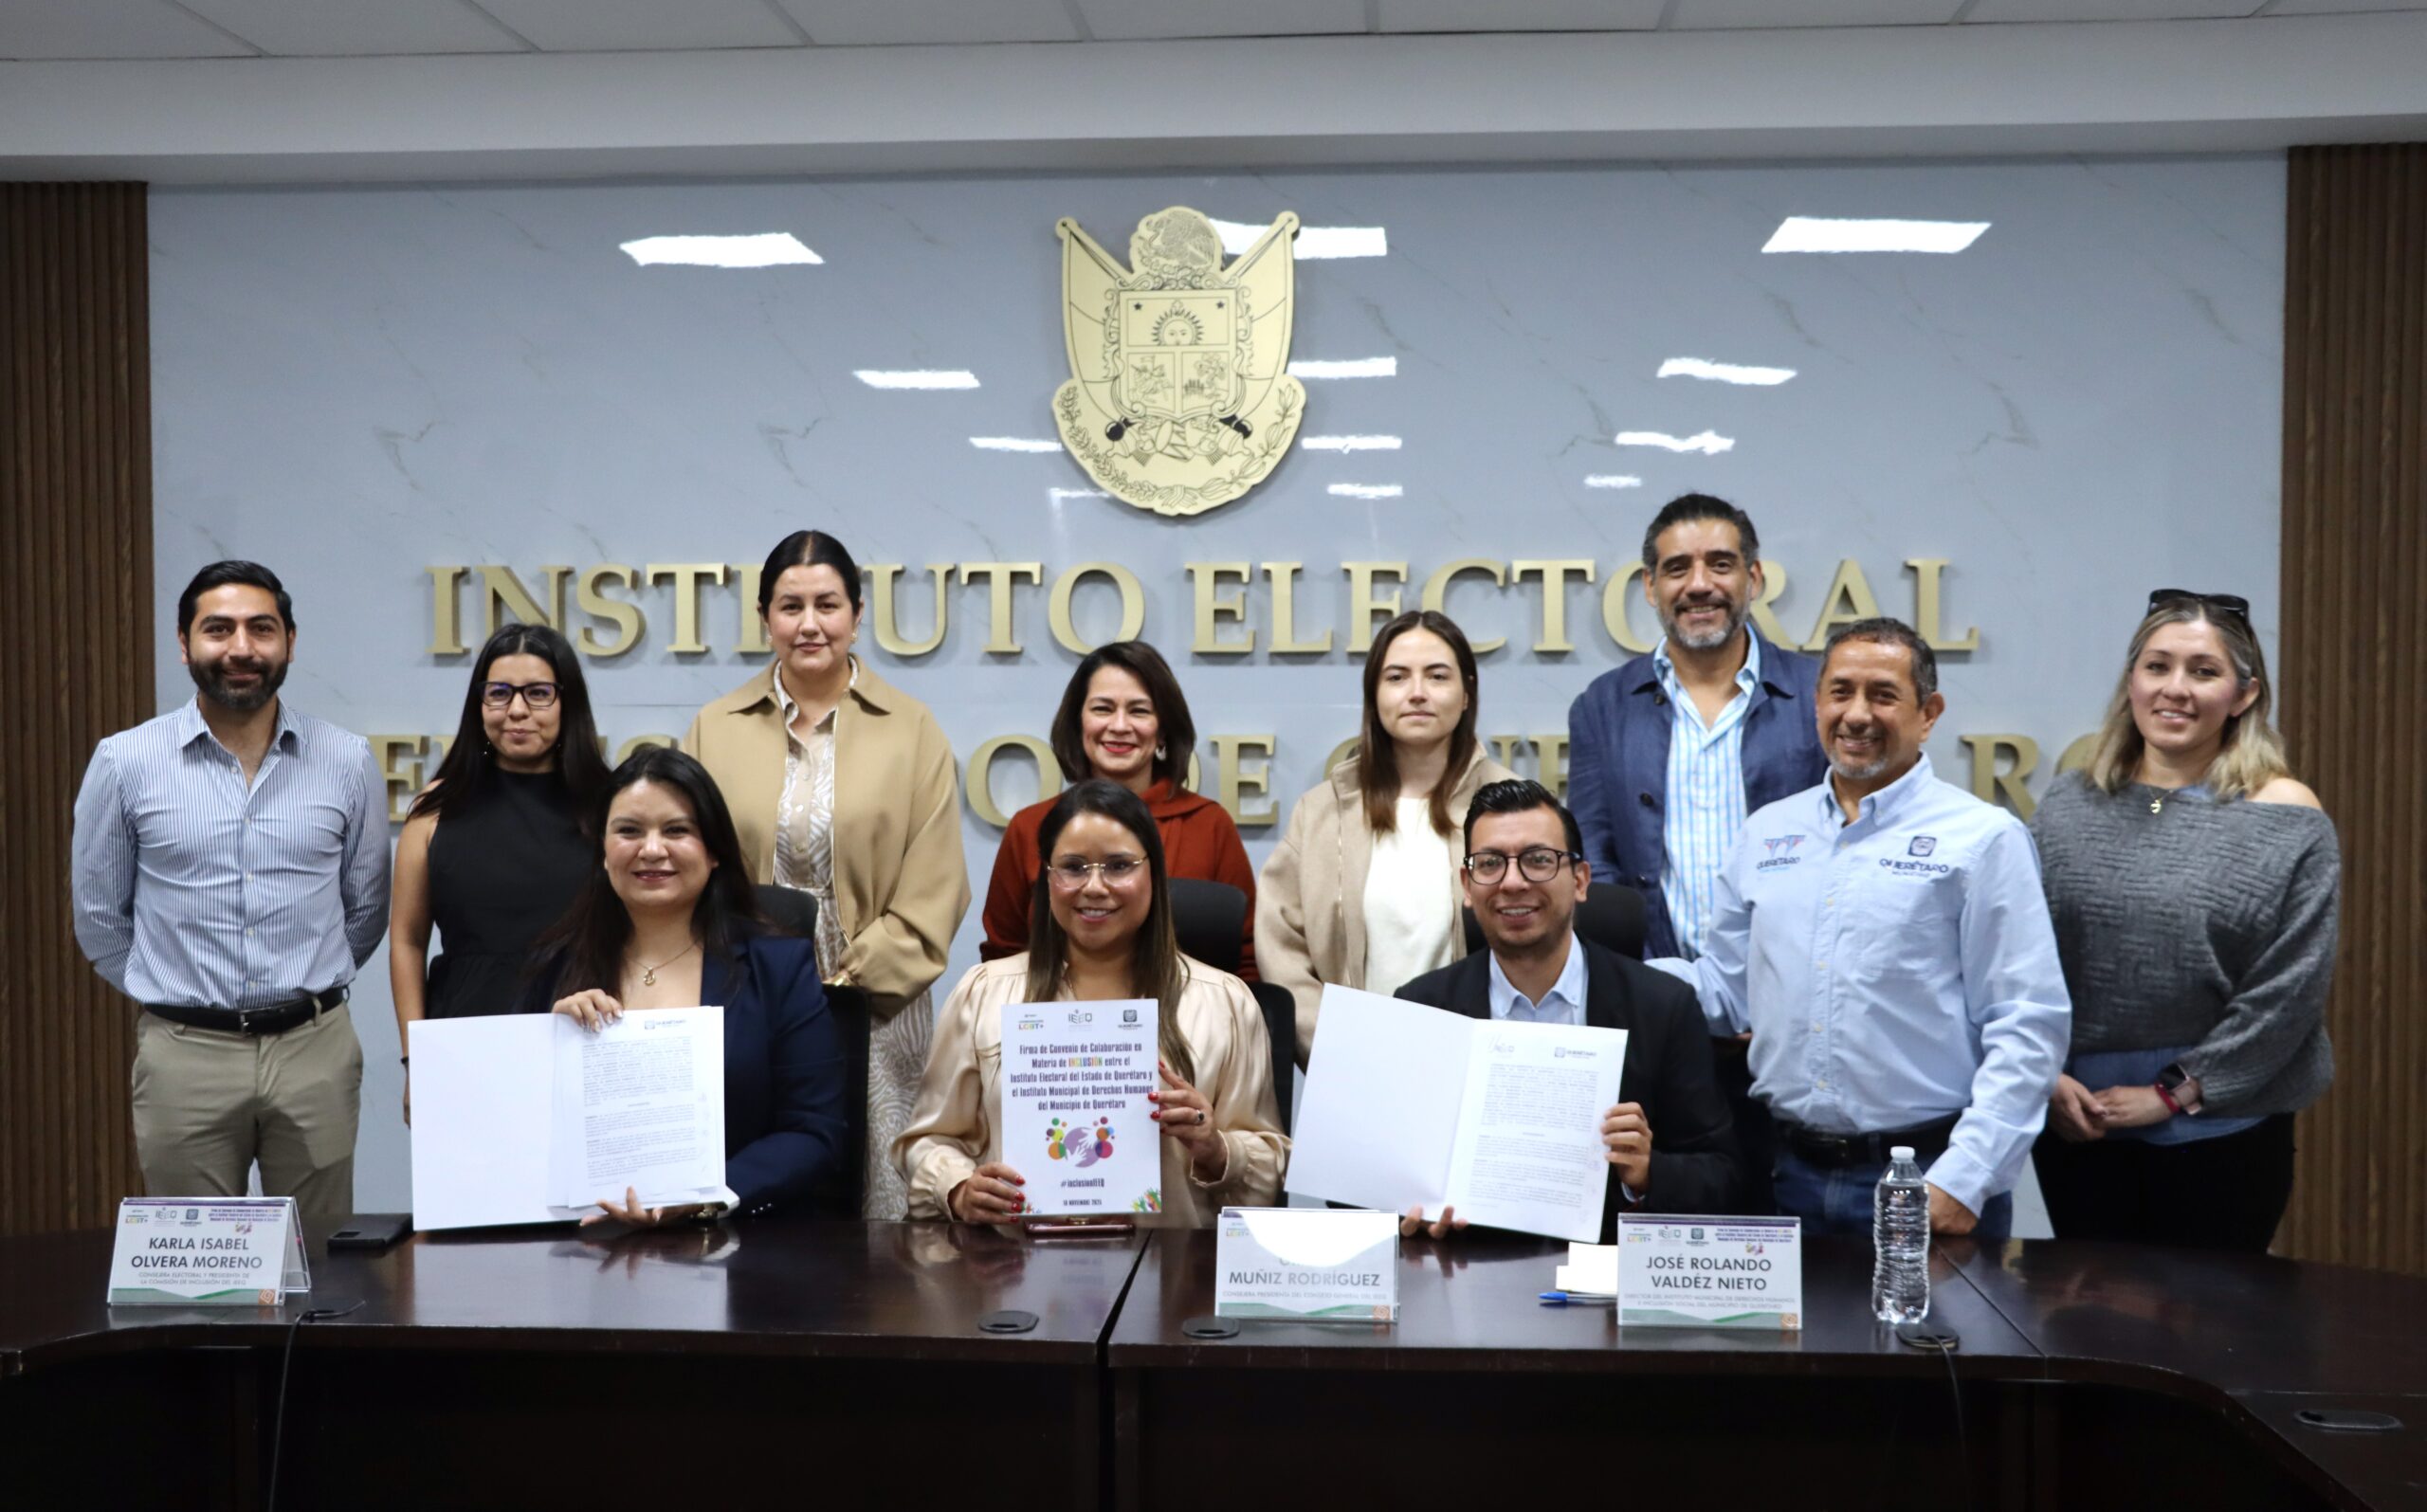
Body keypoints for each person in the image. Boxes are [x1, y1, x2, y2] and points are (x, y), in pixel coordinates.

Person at [1653, 618, 2070, 1241]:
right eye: (1841, 692)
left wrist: (1967, 1177)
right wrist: (1597, 973)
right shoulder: (1767, 833)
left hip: (1926, 1177)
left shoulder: (1983, 839)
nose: (1856, 714)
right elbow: (1725, 992)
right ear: (1816, 703)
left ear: (1928, 714)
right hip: (1782, 1178)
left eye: (1883, 695)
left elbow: (2027, 1022)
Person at [70, 561, 389, 1232]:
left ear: (290, 643)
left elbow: (365, 909)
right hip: (185, 1052)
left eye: (261, 629)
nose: (241, 648)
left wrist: (303, 986)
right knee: (195, 1264)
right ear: (184, 644)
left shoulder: (346, 758)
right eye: (218, 629)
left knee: (320, 1259)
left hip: (314, 1049)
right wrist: (174, 992)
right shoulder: (125, 762)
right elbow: (99, 918)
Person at [2029, 592, 2337, 1252]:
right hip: (2078, 1124)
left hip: (2222, 1131)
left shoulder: (2287, 815)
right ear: (2131, 681)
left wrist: (2173, 1092)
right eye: (2157, 666)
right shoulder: (2067, 802)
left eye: (2203, 671)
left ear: (2245, 694)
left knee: (2205, 1317)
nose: (2175, 688)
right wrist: (2045, 1076)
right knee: (2086, 1311)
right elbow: (2018, 958)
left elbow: (2291, 992)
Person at [685, 528, 969, 1219]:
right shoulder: (714, 728)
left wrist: (844, 983)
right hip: (745, 998)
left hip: (876, 1003)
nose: (809, 624)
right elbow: (688, 865)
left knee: (879, 1204)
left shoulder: (911, 728)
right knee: (754, 1188)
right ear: (765, 618)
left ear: (857, 614)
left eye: (827, 604)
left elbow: (935, 882)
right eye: (790, 606)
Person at [899, 779, 1287, 1227]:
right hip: (1014, 1260)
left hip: (1173, 1262)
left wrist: (1215, 1148)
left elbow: (1268, 1175)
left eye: (1119, 866)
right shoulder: (984, 994)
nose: (1095, 886)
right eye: (1073, 867)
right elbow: (928, 1143)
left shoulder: (1224, 1003)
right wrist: (959, 1188)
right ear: (1048, 878)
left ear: (1154, 874)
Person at [1395, 780, 1739, 1240]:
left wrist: (1645, 1173)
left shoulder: (1663, 1006)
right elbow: (1369, 1180)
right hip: (1468, 1263)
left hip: (1609, 1271)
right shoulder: (1422, 1009)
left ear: (1580, 881)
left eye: (1538, 860)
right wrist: (1407, 1208)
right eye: (1490, 863)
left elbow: (1722, 1175)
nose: (1512, 882)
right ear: (1467, 887)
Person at [532, 747, 851, 1223]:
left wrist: (708, 1196)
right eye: (629, 831)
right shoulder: (555, 966)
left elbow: (815, 1132)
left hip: (737, 1243)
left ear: (714, 850)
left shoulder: (778, 967)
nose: (651, 849)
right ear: (602, 850)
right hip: (582, 1239)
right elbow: (518, 1127)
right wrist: (546, 1046)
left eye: (676, 830)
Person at [1258, 610, 1517, 1066]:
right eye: (1397, 677)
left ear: (1466, 694)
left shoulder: (1513, 806)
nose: (1417, 693)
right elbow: (1282, 953)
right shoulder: (1321, 812)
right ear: (1374, 695)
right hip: (1354, 1064)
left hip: (1481, 1066)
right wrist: (1342, 1050)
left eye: (1437, 676)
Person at [389, 624, 609, 1122]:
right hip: (463, 1041)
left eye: (538, 693)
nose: (517, 710)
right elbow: (406, 942)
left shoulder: (609, 805)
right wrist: (414, 1060)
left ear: (567, 702)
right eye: (499, 693)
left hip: (584, 1036)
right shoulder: (435, 808)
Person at [982, 641, 1258, 979]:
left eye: (1139, 711)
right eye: (1103, 709)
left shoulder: (1209, 825)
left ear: (1163, 730)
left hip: (1187, 1011)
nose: (1120, 725)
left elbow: (1246, 962)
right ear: (1078, 723)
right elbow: (1002, 958)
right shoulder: (1030, 827)